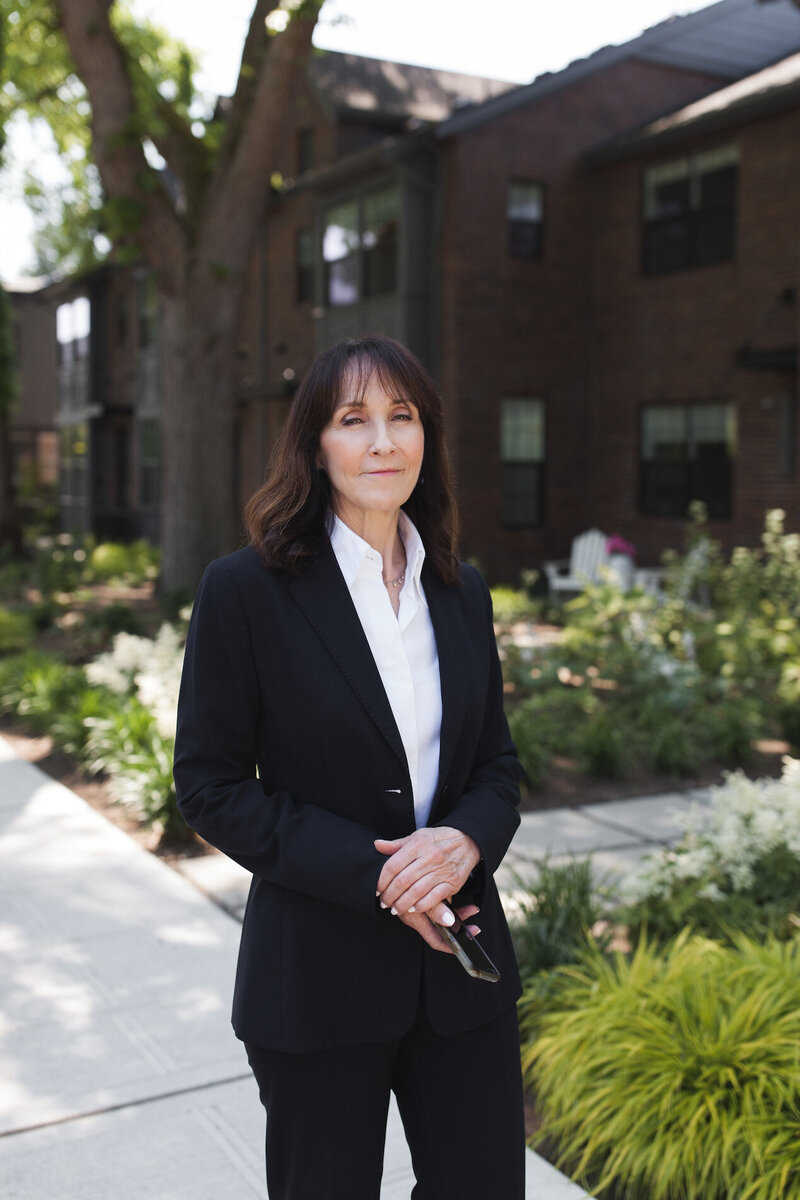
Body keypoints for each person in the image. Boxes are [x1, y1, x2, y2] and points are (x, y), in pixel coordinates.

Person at [173, 333, 526, 1199]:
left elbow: (497, 766)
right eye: (353, 419)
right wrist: (385, 879)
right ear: (315, 444)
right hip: (318, 981)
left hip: (461, 970)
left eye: (402, 418)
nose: (382, 441)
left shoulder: (461, 589)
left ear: (426, 438)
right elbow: (210, 787)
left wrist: (461, 845)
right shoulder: (245, 591)